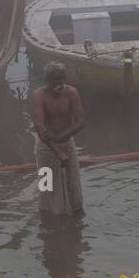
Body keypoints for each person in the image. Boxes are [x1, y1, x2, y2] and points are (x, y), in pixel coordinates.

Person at [31, 62, 86, 218]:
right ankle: (48, 222)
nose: (60, 83)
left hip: (67, 144)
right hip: (45, 149)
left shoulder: (71, 93)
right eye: (56, 80)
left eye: (62, 79)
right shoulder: (39, 95)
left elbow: (81, 121)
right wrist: (57, 151)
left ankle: (76, 222)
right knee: (46, 189)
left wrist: (61, 138)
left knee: (73, 186)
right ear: (47, 80)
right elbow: (40, 129)